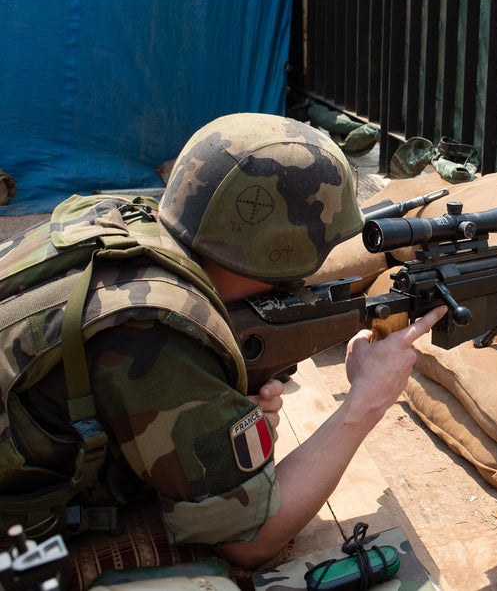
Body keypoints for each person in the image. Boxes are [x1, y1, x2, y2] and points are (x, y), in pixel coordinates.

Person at [0, 113, 445, 570]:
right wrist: (365, 402)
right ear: (283, 252)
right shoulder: (160, 331)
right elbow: (252, 540)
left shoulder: (121, 222)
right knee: (225, 560)